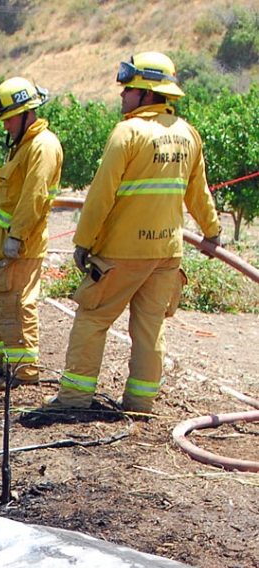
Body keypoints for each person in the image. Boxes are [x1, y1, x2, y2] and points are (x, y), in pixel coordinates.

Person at [48, 52, 222, 414]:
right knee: (149, 328)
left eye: (129, 88)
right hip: (167, 254)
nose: (122, 95)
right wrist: (212, 232)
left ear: (146, 93)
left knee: (92, 320)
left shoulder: (128, 132)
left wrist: (84, 242)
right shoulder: (187, 134)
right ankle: (141, 404)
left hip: (121, 253)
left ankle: (74, 400)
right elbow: (198, 192)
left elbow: (100, 194)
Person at [0, 77, 63, 385]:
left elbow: (34, 197)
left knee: (18, 307)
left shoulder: (43, 146)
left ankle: (23, 374)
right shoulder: (21, 147)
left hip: (21, 246)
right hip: (3, 247)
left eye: (9, 118)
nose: (5, 126)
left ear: (27, 113)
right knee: (1, 310)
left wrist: (17, 236)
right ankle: (3, 368)